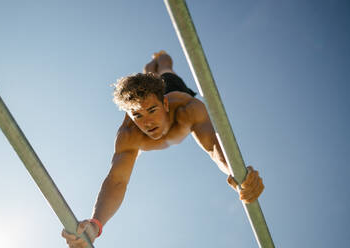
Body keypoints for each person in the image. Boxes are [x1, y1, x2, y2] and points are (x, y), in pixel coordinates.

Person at [61, 51, 264, 247]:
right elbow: (117, 180)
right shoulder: (129, 134)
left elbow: (212, 145)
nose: (147, 122)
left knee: (165, 68)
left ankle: (159, 57)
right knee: (150, 73)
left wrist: (236, 173)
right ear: (130, 117)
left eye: (151, 110)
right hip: (152, 95)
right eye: (138, 116)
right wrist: (95, 225)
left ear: (165, 104)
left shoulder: (188, 109)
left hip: (174, 87)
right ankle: (149, 68)